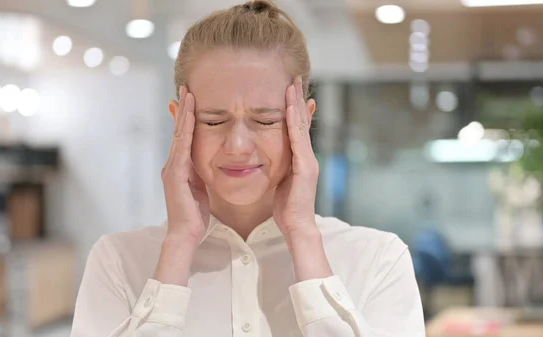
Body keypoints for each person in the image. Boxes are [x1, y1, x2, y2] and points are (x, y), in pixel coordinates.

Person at [70, 1, 425, 336]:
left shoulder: (379, 259)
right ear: (181, 123)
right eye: (212, 121)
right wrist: (178, 246)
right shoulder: (117, 260)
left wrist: (303, 234)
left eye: (265, 120)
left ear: (304, 120)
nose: (238, 146)